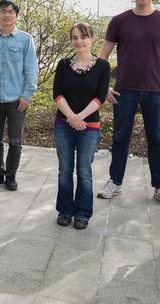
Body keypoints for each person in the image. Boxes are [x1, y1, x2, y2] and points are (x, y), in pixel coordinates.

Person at [97, 0, 160, 207]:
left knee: (156, 140)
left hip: (155, 92)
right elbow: (102, 57)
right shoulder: (119, 21)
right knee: (120, 138)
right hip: (124, 90)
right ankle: (114, 182)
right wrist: (103, 86)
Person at [52, 23, 110, 230]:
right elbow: (57, 94)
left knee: (84, 170)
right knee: (65, 170)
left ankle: (83, 213)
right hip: (63, 124)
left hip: (90, 125)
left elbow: (100, 97)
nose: (79, 41)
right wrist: (70, 117)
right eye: (75, 37)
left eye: (83, 37)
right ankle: (65, 210)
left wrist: (80, 118)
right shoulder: (63, 64)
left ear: (92, 39)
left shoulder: (103, 66)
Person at [0, 0, 37, 191]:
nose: (7, 15)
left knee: (15, 141)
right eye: (3, 11)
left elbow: (31, 70)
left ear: (16, 15)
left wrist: (27, 95)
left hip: (17, 100)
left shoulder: (25, 39)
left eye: (11, 11)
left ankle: (11, 175)